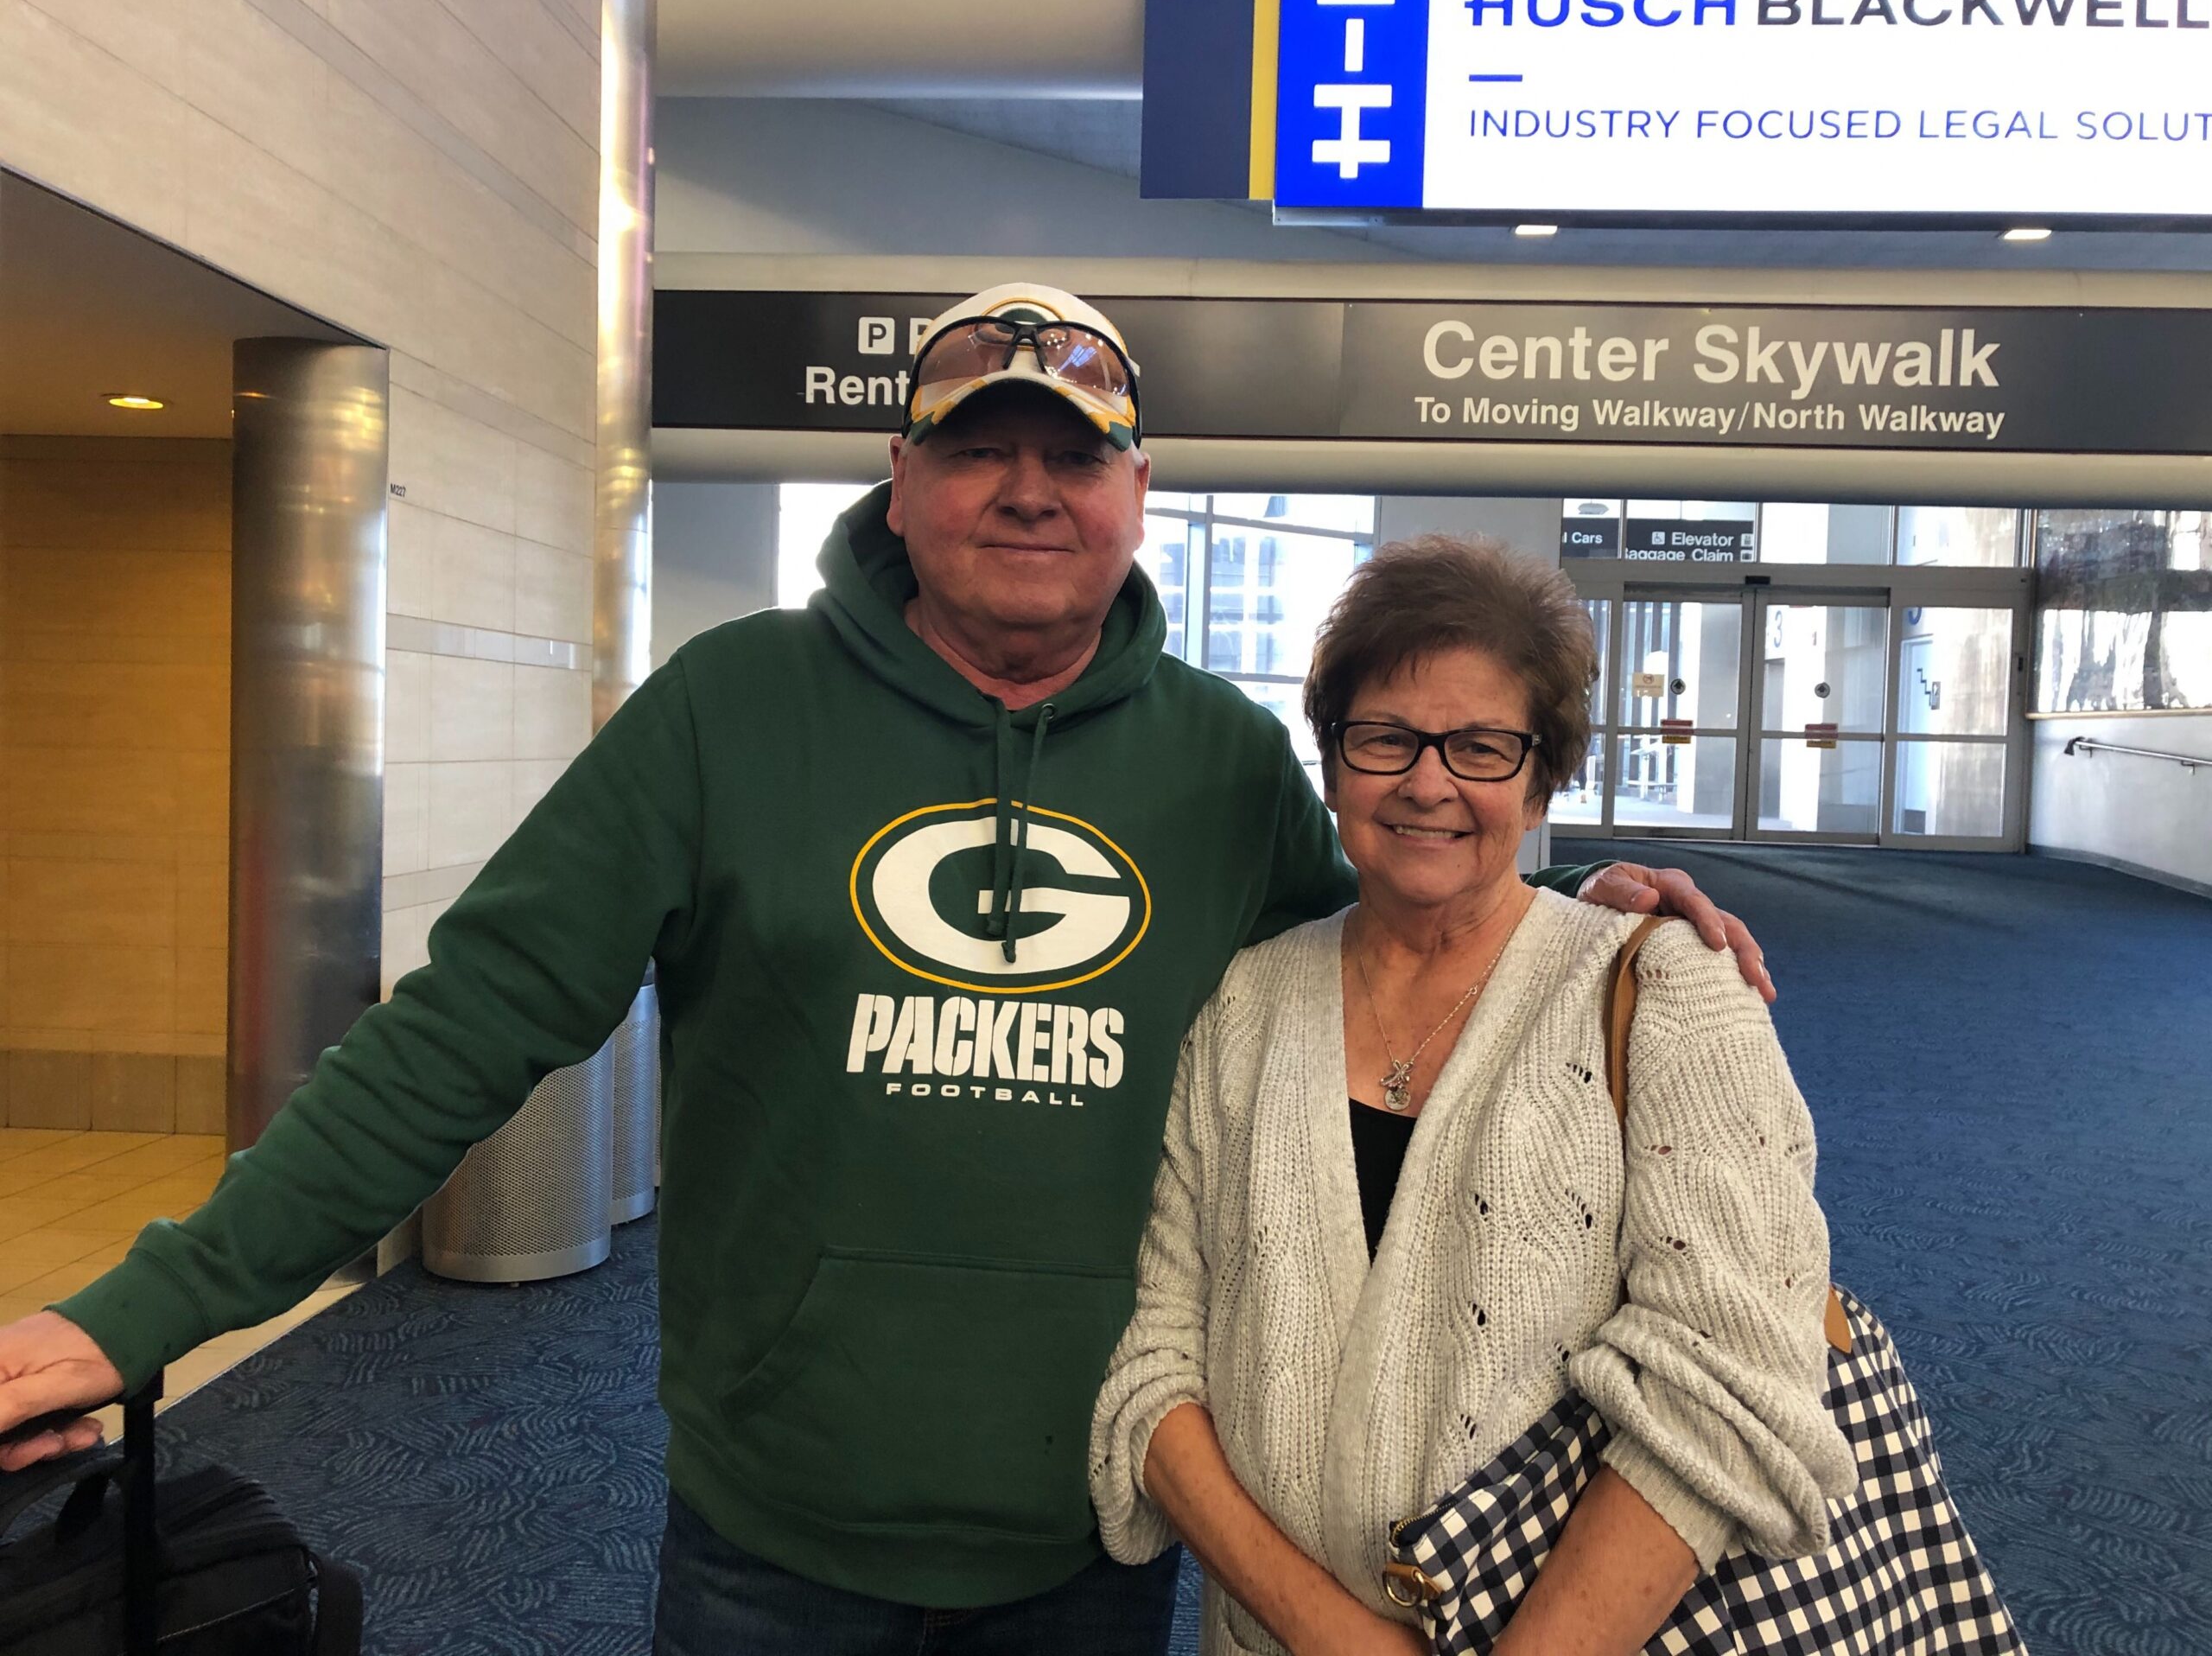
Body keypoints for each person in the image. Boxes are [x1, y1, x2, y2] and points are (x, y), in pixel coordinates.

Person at [0, 288, 1767, 1655]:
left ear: (1134, 495)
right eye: (978, 446)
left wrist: (1578, 909)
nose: (1027, 487)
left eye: (1073, 454)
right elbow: (455, 1033)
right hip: (778, 1537)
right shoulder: (725, 713)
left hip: (1104, 1522)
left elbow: (1398, 939)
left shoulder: (1220, 765)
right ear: (901, 482)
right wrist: (149, 1308)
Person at [1091, 535, 1853, 1656]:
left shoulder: (1667, 992)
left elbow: (1731, 1387)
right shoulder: (1246, 1005)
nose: (1428, 781)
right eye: (1387, 737)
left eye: (1483, 746)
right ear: (1334, 760)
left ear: (1543, 776)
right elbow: (1155, 1366)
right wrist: (1333, 1635)